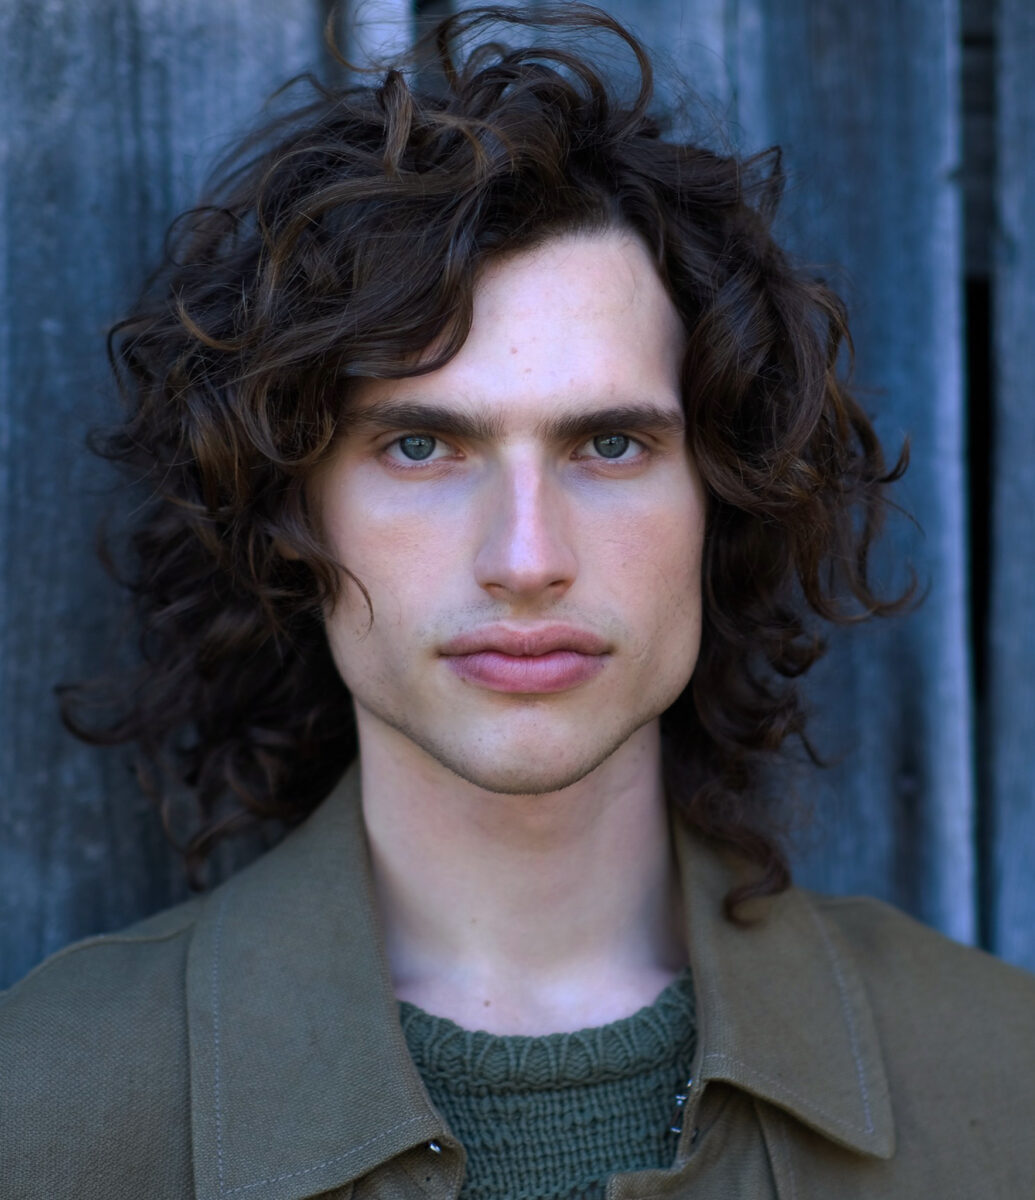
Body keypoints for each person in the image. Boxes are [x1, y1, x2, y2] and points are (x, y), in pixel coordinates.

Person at [2, 5, 1033, 1198]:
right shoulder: (45, 1109)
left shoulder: (1000, 1081)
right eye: (421, 447)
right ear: (292, 511)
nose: (527, 557)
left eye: (609, 444)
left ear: (723, 497)